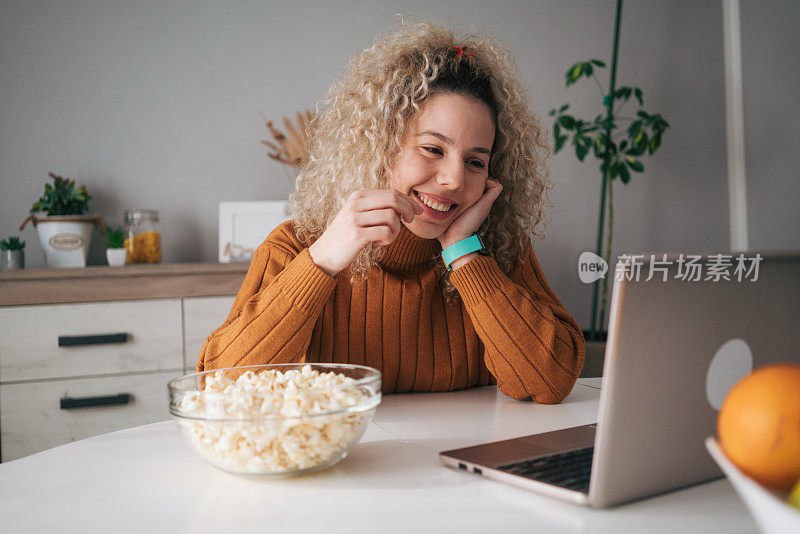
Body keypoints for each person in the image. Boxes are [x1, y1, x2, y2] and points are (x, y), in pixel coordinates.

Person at [196, 21, 585, 404]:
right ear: (382, 146)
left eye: (475, 162)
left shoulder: (497, 251)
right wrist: (323, 260)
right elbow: (220, 387)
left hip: (467, 464)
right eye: (433, 149)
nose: (453, 179)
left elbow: (551, 382)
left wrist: (464, 257)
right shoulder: (296, 247)